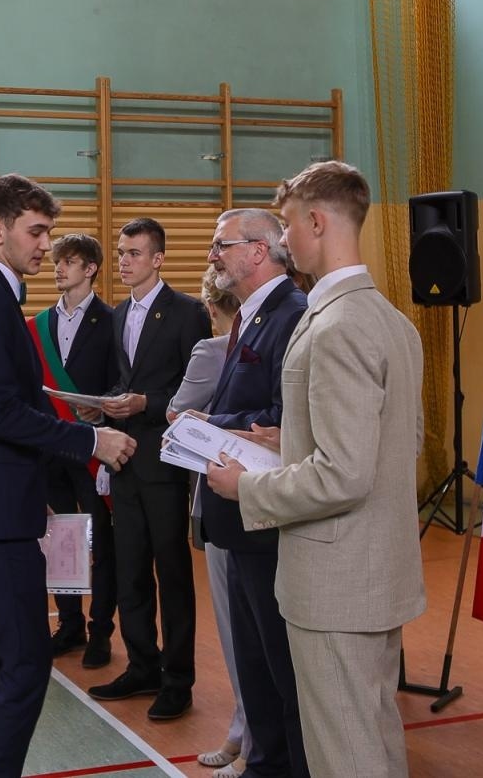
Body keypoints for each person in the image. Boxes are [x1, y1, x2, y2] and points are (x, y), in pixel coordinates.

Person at [208, 161, 426, 778]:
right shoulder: (392, 321)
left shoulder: (334, 325)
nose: (283, 239)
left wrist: (245, 484)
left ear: (316, 221)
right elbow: (395, 445)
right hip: (376, 569)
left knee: (344, 756)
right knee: (374, 739)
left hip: (335, 581)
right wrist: (294, 438)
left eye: (286, 225)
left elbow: (342, 475)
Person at [0, 174, 137, 778]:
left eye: (46, 231)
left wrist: (44, 393)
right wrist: (90, 437)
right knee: (23, 669)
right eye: (36, 231)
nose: (45, 245)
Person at [193, 209, 311, 778]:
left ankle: (286, 765)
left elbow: (289, 420)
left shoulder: (291, 315)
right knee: (256, 663)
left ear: (259, 250)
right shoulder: (252, 315)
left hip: (266, 514)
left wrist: (217, 423)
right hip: (238, 517)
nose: (214, 255)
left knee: (280, 665)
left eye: (223, 245)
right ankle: (265, 762)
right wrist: (210, 420)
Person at [92, 217, 210, 721]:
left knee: (173, 573)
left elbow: (200, 390)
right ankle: (143, 664)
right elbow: (123, 381)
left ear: (158, 259)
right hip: (124, 458)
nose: (124, 261)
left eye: (134, 253)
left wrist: (148, 402)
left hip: (164, 461)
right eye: (121, 252)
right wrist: (101, 408)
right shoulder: (118, 314)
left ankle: (178, 679)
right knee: (130, 570)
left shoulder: (188, 313)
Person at [169, 267, 249, 778]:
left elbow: (178, 414)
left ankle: (252, 737)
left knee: (242, 633)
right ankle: (245, 733)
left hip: (234, 500)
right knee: (248, 633)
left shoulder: (212, 351)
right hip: (262, 500)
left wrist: (204, 426)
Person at [33, 232, 120, 668]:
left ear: (90, 269)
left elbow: (120, 383)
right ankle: (68, 624)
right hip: (52, 449)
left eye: (68, 262)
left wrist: (103, 421)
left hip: (93, 449)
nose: (58, 268)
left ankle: (100, 630)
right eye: (56, 261)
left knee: (103, 544)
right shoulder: (39, 324)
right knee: (62, 541)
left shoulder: (112, 321)